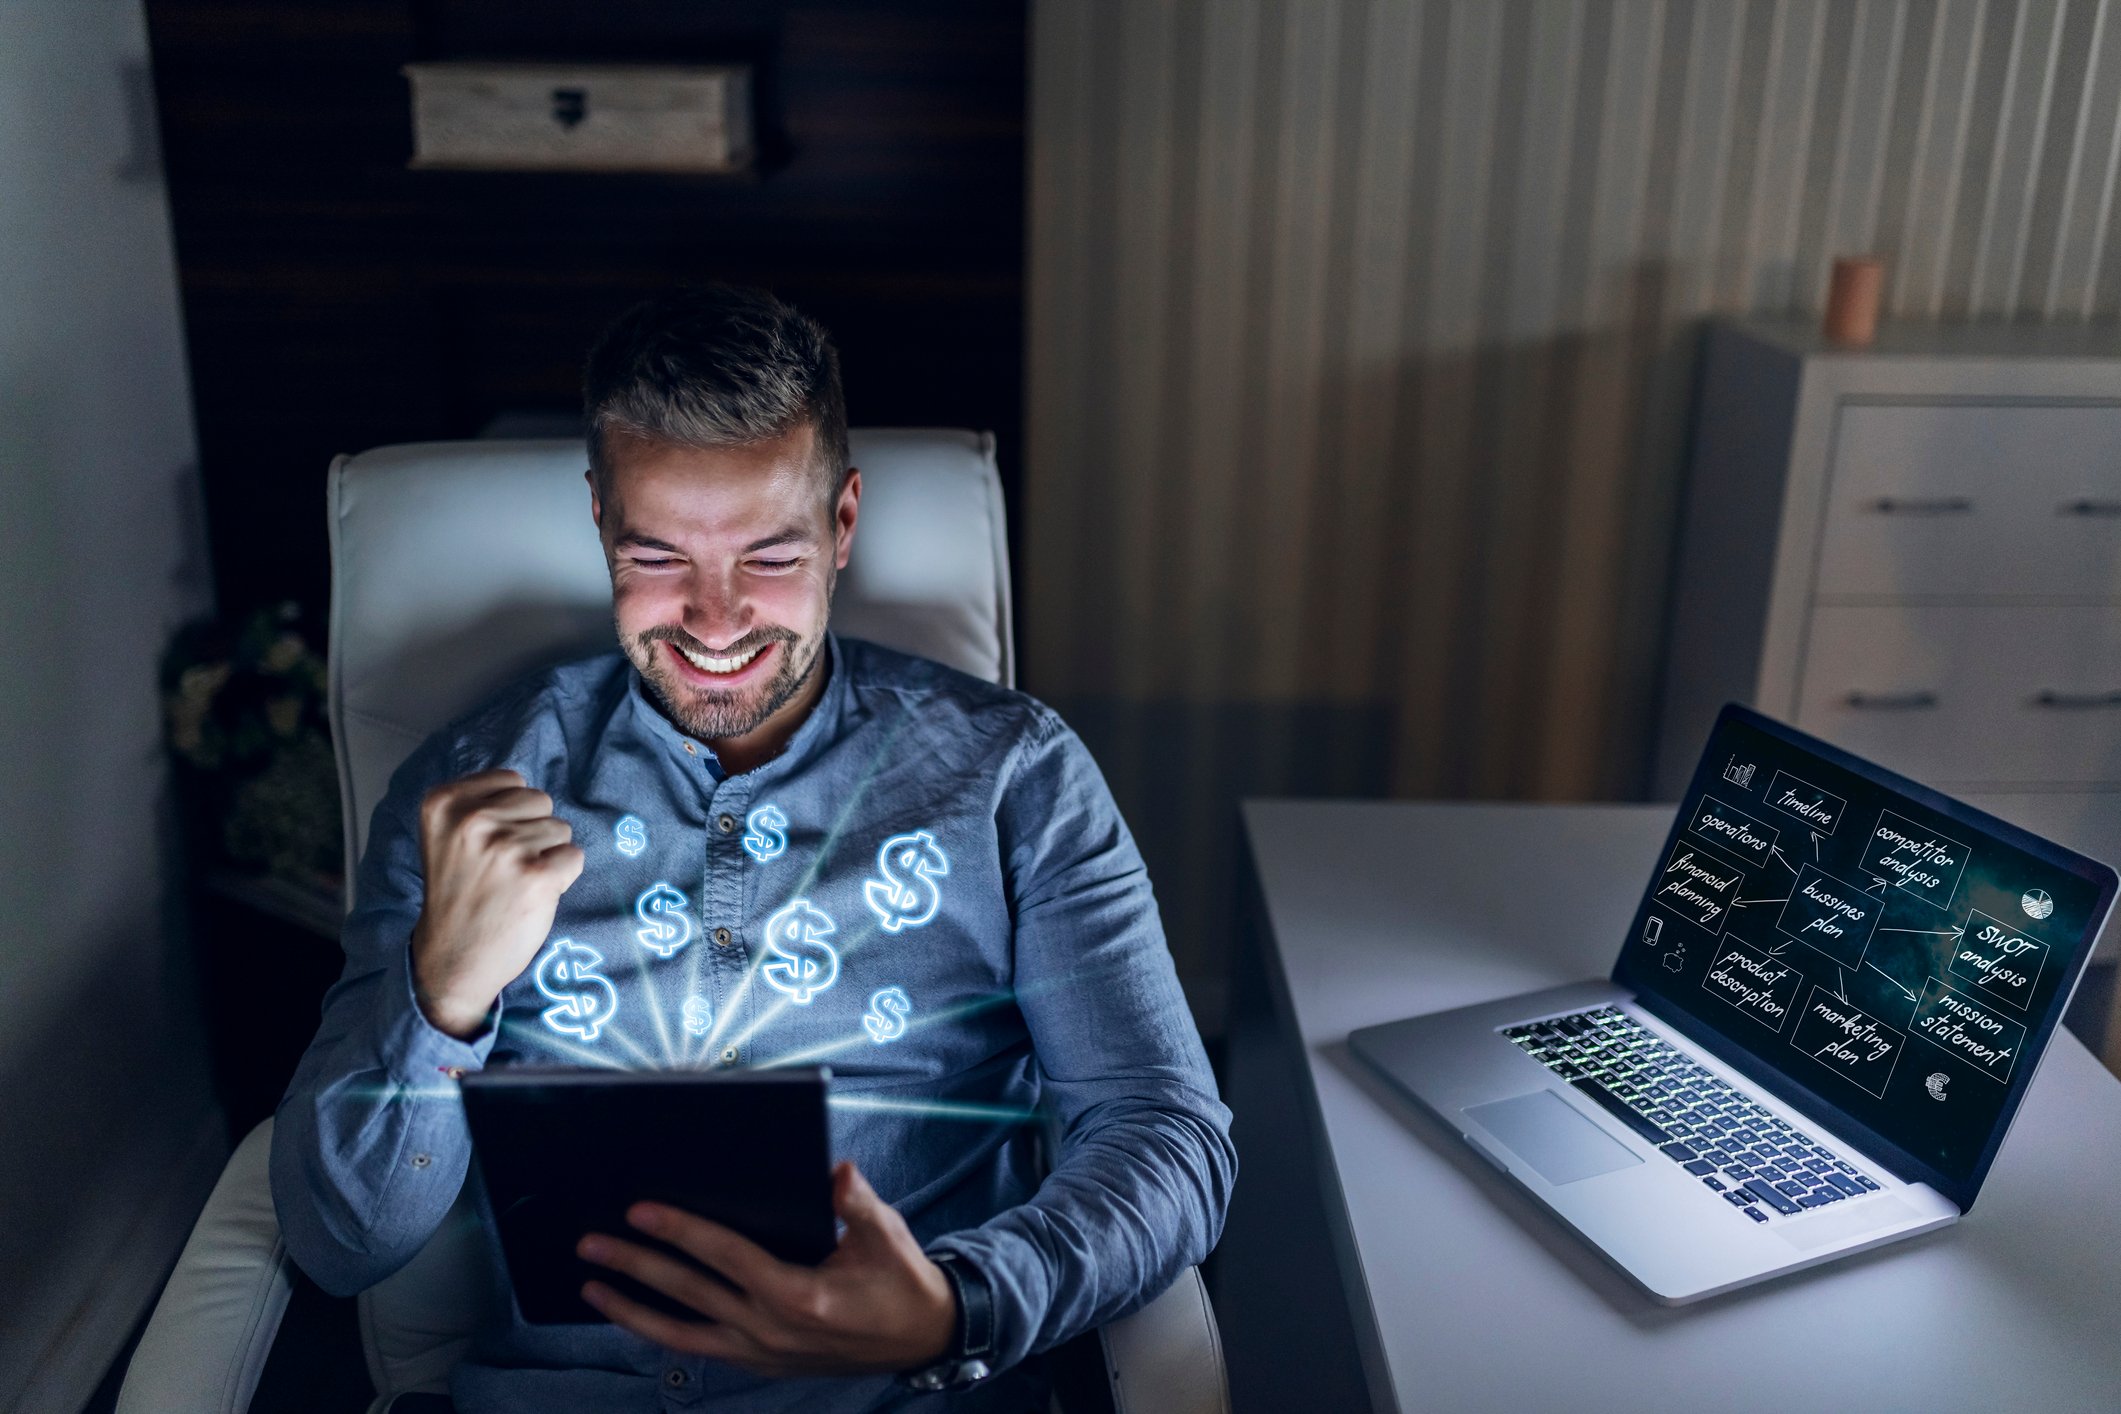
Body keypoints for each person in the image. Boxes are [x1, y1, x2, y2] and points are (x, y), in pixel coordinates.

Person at [270, 284, 1236, 1412]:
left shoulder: (1017, 776)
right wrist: (442, 998)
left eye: (769, 558)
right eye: (660, 557)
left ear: (842, 524)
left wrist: (955, 1304)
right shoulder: (467, 790)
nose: (716, 622)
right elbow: (338, 1244)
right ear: (599, 523)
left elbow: (1168, 1136)